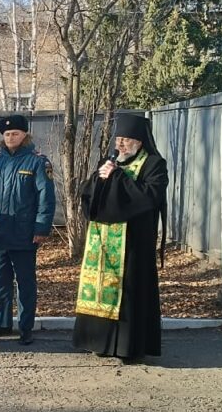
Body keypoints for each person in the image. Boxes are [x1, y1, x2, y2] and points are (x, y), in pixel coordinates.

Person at [72, 114, 168, 363]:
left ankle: (129, 348)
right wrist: (98, 179)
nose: (120, 145)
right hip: (102, 241)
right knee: (100, 288)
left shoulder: (154, 164)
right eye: (118, 140)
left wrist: (117, 178)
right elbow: (89, 194)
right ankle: (99, 341)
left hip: (133, 242)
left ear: (139, 141)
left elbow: (149, 197)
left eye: (126, 140)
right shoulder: (109, 161)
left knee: (129, 294)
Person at [0, 114, 56, 345]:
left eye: (15, 134)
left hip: (25, 233)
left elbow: (46, 198)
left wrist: (41, 228)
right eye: (7, 134)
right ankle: (2, 324)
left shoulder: (37, 162)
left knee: (25, 283)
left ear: (24, 135)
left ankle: (25, 327)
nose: (11, 137)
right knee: (1, 282)